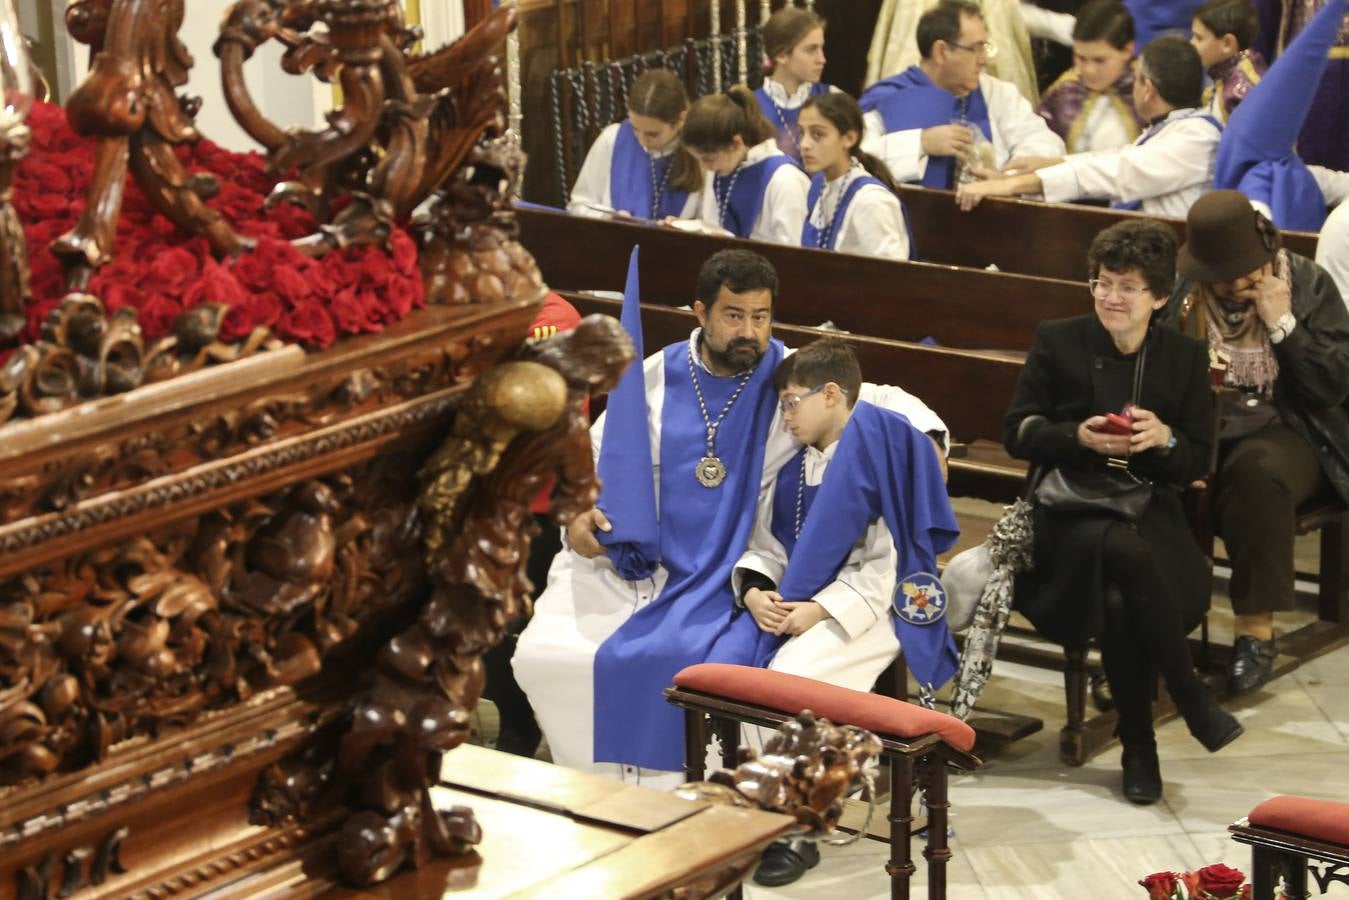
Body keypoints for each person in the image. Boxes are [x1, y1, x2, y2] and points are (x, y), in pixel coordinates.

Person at [512, 249, 949, 789]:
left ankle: (703, 797)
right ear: (700, 312)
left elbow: (876, 396)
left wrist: (926, 441)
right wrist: (578, 517)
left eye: (761, 317)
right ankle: (599, 789)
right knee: (547, 654)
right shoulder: (653, 378)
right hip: (652, 568)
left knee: (709, 666)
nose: (750, 332)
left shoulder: (791, 375)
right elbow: (595, 465)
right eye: (734, 316)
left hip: (741, 567)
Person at [1006, 218, 1243, 806]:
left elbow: (1196, 459)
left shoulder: (1184, 357)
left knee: (1118, 592)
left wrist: (1161, 440)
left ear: (1159, 298)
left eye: (1129, 287)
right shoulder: (1059, 338)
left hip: (1147, 513)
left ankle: (1141, 744)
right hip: (1064, 515)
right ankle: (1185, 699)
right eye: (1103, 282)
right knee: (1119, 552)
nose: (1112, 296)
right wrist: (1076, 437)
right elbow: (1018, 432)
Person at [718, 338, 956, 887]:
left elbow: (888, 563)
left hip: (871, 610)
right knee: (727, 674)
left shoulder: (880, 452)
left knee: (790, 683)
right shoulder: (795, 470)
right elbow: (772, 547)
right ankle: (755, 813)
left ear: (831, 394)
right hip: (798, 606)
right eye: (780, 404)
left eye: (792, 401)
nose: (786, 415)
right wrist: (756, 590)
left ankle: (801, 829)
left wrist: (821, 610)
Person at [1163, 190, 1349, 694]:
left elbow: (1333, 386)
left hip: (1294, 428)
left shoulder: (1307, 283)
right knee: (1161, 471)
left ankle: (1255, 632)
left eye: (1246, 270)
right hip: (1204, 425)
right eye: (1222, 275)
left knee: (1255, 474)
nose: (1236, 283)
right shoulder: (1184, 291)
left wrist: (1283, 325)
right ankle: (1156, 628)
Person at [957, 36, 1220, 218]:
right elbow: (1120, 157)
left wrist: (1012, 186)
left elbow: (1117, 171)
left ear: (1149, 90)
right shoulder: (1177, 128)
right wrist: (1050, 164)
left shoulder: (1197, 137)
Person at [859, 0, 1066, 190]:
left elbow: (1047, 143)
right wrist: (921, 143)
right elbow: (856, 158)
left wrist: (1007, 176)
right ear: (941, 52)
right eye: (975, 49)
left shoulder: (998, 93)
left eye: (985, 47)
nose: (984, 60)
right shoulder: (888, 96)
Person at [567, 69, 703, 220]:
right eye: (635, 129)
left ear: (681, 120)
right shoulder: (612, 139)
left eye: (653, 134)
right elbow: (578, 205)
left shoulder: (701, 154)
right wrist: (607, 217)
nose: (642, 141)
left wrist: (685, 228)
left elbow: (712, 227)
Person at [684, 87, 811, 244]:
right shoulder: (720, 169)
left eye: (708, 159)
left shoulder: (785, 180)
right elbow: (712, 228)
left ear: (737, 143)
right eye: (698, 159)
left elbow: (794, 254)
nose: (704, 167)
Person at [797, 93, 911, 260]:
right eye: (801, 133)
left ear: (849, 138)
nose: (804, 144)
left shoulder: (871, 201)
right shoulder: (818, 186)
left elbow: (890, 276)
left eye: (817, 134)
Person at [867, 0, 1042, 104]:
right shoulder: (896, 95)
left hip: (989, 93)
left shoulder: (1002, 94)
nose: (983, 60)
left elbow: (1037, 141)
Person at [1037, 1, 1146, 154]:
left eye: (1100, 60)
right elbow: (1040, 141)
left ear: (1127, 50)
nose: (1089, 70)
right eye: (1081, 58)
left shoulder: (1151, 91)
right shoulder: (1063, 91)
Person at [754, 6, 834, 164]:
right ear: (782, 55)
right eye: (811, 50)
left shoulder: (833, 99)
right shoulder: (750, 108)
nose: (822, 59)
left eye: (821, 48)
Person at [1192, 0, 1267, 122]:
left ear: (1227, 44)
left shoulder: (1239, 93)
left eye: (1199, 38)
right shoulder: (1227, 71)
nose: (1192, 43)